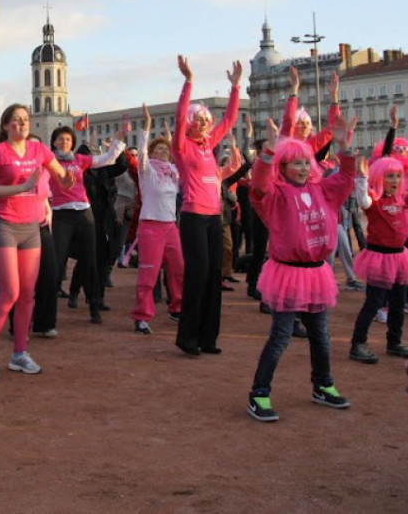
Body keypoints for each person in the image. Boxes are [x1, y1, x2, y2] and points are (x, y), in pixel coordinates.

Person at [246, 116, 355, 422]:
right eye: (295, 163)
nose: (303, 169)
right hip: (288, 274)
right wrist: (267, 154)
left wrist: (345, 146)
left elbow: (346, 178)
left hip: (316, 272)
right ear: (282, 168)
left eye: (306, 163)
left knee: (321, 335)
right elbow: (259, 187)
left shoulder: (323, 189)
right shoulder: (275, 195)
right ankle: (259, 394)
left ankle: (323, 385)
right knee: (281, 336)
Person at [0, 104, 75, 379]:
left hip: (31, 228)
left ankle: (19, 354)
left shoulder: (39, 150)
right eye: (16, 120)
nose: (22, 124)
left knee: (27, 294)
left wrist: (70, 178)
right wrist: (19, 187)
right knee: (9, 293)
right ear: (6, 125)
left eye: (25, 120)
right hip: (3, 226)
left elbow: (63, 181)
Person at [173, 55, 242, 357]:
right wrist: (188, 82)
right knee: (198, 274)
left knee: (214, 276)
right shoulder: (182, 146)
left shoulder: (208, 146)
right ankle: (187, 337)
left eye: (204, 120)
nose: (202, 123)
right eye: (196, 119)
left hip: (214, 218)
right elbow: (177, 118)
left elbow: (229, 120)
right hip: (192, 218)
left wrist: (236, 87)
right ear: (189, 123)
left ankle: (208, 338)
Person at [49, 123, 125, 328]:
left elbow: (107, 159)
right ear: (54, 142)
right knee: (57, 261)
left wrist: (118, 141)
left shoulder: (79, 160)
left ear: (72, 143)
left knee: (90, 260)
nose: (64, 142)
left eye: (68, 139)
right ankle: (47, 311)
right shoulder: (48, 162)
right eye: (60, 139)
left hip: (84, 213)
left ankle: (93, 304)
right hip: (61, 215)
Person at [348, 155, 408, 364]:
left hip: (399, 257)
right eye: (389, 176)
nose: (394, 180)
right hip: (380, 257)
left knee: (398, 303)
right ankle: (358, 343)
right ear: (380, 178)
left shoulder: (400, 198)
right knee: (374, 302)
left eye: (397, 176)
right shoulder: (375, 198)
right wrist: (362, 179)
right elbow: (363, 199)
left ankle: (394, 342)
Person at [132, 103, 184, 334]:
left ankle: (178, 307)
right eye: (159, 150)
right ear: (152, 153)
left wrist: (173, 138)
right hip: (151, 226)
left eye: (166, 150)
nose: (163, 152)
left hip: (170, 226)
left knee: (178, 269)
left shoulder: (173, 173)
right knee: (149, 273)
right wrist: (147, 126)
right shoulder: (147, 171)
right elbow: (141, 154)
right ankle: (142, 316)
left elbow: (182, 157)